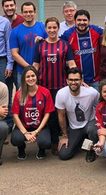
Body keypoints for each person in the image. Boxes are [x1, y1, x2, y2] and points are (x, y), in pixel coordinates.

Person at [32, 17, 75, 155]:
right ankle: (51, 141)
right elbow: (35, 67)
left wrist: (79, 79)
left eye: (54, 28)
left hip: (61, 86)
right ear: (45, 29)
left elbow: (72, 64)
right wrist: (30, 83)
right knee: (48, 114)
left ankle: (65, 137)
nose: (52, 30)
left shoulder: (65, 45)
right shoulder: (39, 46)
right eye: (49, 28)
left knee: (61, 114)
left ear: (58, 29)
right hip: (44, 87)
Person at [55, 67, 100, 161]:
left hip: (90, 123)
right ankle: (80, 142)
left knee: (93, 129)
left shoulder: (91, 92)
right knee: (64, 155)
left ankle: (90, 150)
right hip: (74, 127)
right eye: (71, 80)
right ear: (67, 81)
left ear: (82, 80)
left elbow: (103, 103)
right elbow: (61, 115)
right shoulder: (61, 94)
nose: (73, 82)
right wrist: (64, 135)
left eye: (76, 80)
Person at [11, 66, 54, 160]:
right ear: (24, 79)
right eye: (27, 77)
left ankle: (41, 149)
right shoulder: (19, 94)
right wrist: (25, 133)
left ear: (37, 76)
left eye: (33, 76)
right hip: (24, 126)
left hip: (40, 126)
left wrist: (36, 132)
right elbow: (15, 115)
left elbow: (47, 114)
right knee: (16, 139)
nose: (31, 79)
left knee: (45, 142)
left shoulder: (45, 92)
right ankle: (21, 149)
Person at [61, 9, 103, 90]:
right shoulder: (68, 34)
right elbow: (55, 42)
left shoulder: (96, 30)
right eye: (79, 20)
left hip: (96, 80)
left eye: (84, 20)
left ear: (89, 21)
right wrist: (42, 40)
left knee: (97, 102)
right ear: (75, 21)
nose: (82, 22)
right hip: (77, 82)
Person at [10, 1, 47, 88]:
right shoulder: (15, 31)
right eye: (25, 12)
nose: (28, 14)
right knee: (23, 98)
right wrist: (30, 68)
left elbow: (49, 47)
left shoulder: (43, 28)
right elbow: (14, 54)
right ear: (21, 14)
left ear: (35, 12)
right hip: (22, 71)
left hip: (42, 71)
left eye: (30, 11)